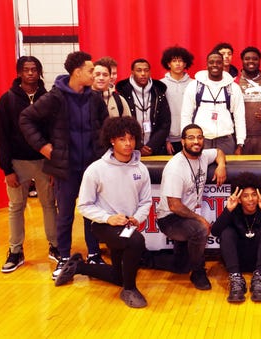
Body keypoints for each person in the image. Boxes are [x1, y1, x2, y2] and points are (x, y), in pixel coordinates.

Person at [19, 51, 109, 279]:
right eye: (90, 71)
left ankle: (94, 254)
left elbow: (106, 127)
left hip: (91, 167)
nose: (94, 74)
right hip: (65, 169)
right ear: (77, 72)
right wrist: (44, 148)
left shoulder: (95, 99)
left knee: (92, 213)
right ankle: (64, 257)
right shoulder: (55, 97)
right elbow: (26, 119)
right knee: (66, 214)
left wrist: (103, 154)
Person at [54, 117, 151, 308]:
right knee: (136, 241)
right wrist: (109, 218)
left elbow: (146, 201)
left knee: (118, 276)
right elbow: (84, 205)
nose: (128, 143)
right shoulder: (96, 169)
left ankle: (78, 266)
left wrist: (137, 218)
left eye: (131, 139)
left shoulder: (141, 168)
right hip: (102, 226)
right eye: (122, 139)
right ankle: (129, 290)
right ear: (112, 140)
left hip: (127, 227)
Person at [0, 56, 58, 273]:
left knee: (49, 205)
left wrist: (55, 165)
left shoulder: (50, 98)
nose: (30, 73)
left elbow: (55, 133)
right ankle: (15, 250)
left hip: (44, 162)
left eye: (34, 69)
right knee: (15, 207)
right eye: (26, 69)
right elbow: (1, 136)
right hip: (17, 163)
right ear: (19, 73)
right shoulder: (7, 100)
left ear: (40, 72)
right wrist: (7, 169)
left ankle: (56, 246)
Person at [155, 123, 227, 290]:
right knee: (200, 229)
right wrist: (200, 219)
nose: (196, 141)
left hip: (185, 215)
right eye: (191, 138)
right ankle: (198, 272)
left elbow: (219, 152)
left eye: (199, 137)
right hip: (170, 218)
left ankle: (145, 258)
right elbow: (174, 205)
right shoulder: (175, 168)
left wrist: (221, 166)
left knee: (180, 266)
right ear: (182, 142)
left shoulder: (202, 156)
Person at [211, 172, 261, 303]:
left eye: (254, 195)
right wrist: (228, 211)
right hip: (236, 262)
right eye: (245, 196)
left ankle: (259, 278)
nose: (251, 199)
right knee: (226, 232)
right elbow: (215, 232)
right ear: (239, 199)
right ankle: (236, 279)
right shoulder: (232, 211)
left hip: (258, 262)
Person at [181, 51, 246, 156]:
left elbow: (239, 117)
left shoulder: (233, 88)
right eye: (211, 62)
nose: (215, 65)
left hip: (226, 142)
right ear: (207, 65)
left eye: (218, 62)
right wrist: (186, 139)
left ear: (223, 64)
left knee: (225, 172)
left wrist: (240, 143)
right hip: (201, 141)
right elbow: (186, 115)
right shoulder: (194, 86)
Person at [116, 58, 172, 156]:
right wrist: (138, 145)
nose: (143, 74)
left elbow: (165, 123)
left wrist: (151, 146)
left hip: (155, 148)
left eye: (146, 70)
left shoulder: (158, 92)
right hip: (130, 147)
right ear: (132, 72)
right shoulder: (123, 92)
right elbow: (120, 123)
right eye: (139, 70)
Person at [236, 46, 261, 154]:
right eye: (247, 58)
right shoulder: (234, 82)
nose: (251, 61)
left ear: (259, 61)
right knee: (241, 170)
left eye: (255, 59)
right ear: (242, 61)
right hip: (242, 138)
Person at [161, 45, 195, 155]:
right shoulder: (161, 85)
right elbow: (159, 115)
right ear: (168, 63)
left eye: (180, 61)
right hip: (169, 138)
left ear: (185, 64)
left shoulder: (193, 84)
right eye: (174, 61)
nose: (178, 64)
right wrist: (165, 139)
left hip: (190, 137)